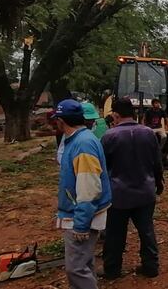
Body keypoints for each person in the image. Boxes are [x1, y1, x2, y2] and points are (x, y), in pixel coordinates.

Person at [101, 98, 164, 279]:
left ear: (116, 114)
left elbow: (103, 168)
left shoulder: (109, 136)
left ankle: (112, 270)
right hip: (145, 192)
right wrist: (158, 184)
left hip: (119, 195)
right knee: (146, 230)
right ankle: (151, 267)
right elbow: (157, 163)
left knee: (115, 234)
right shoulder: (149, 133)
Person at [53, 99, 112, 289]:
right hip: (80, 211)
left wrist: (80, 224)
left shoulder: (83, 144)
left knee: (76, 268)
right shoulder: (79, 139)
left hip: (81, 215)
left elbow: (89, 188)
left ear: (61, 121)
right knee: (84, 263)